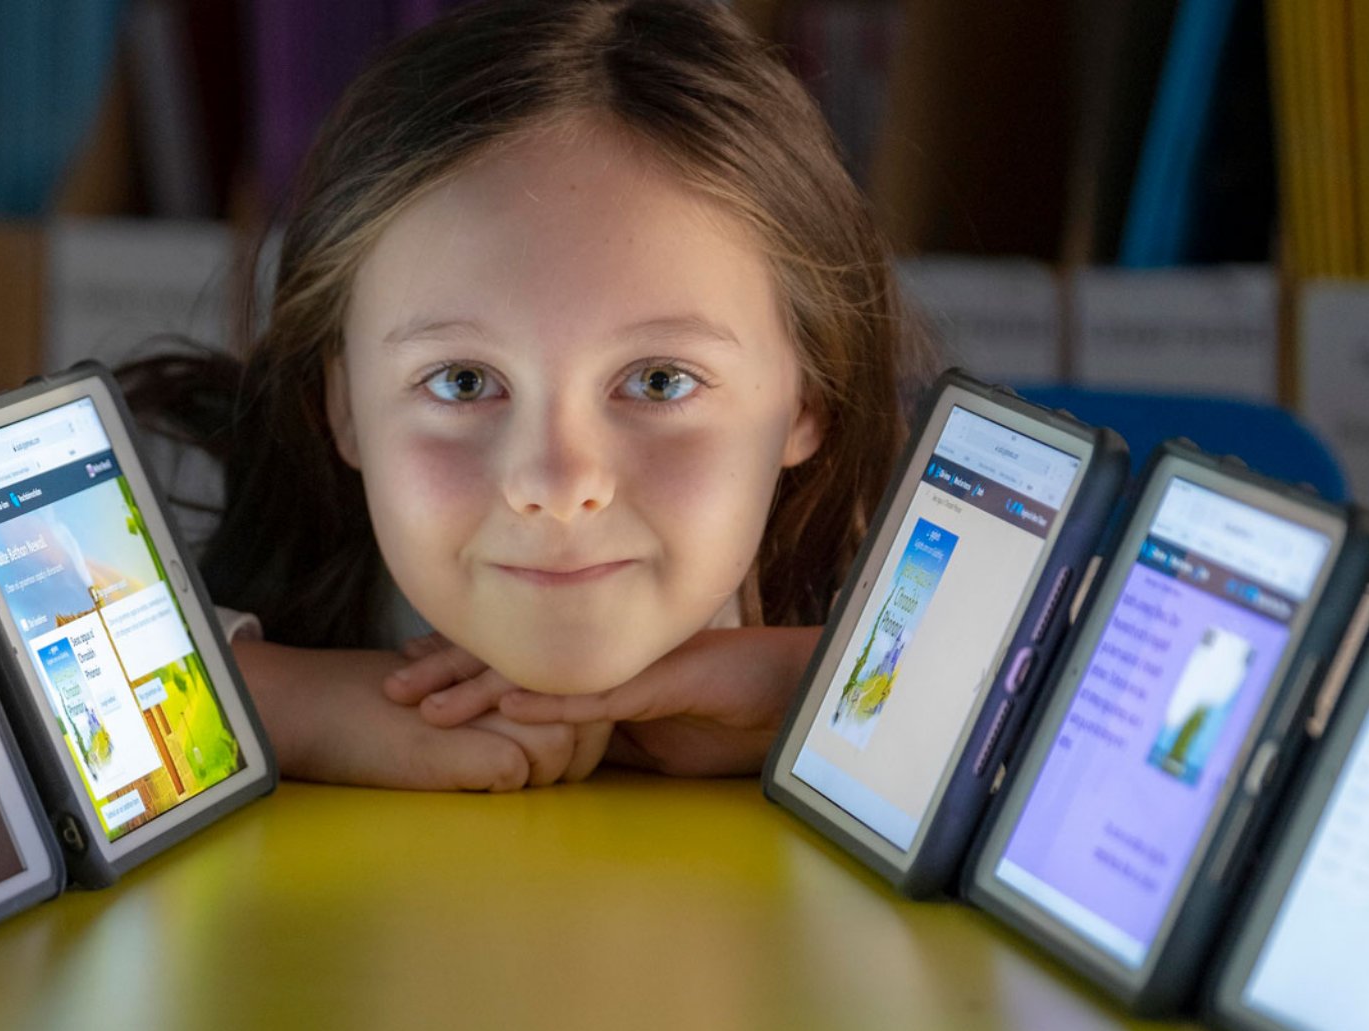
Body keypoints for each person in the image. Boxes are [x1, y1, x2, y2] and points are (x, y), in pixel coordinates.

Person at [126, 0, 931, 792]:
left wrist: (822, 697)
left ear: (806, 402)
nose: (557, 484)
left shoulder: (899, 579)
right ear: (343, 407)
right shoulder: (197, 500)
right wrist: (278, 702)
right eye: (463, 382)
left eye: (659, 382)